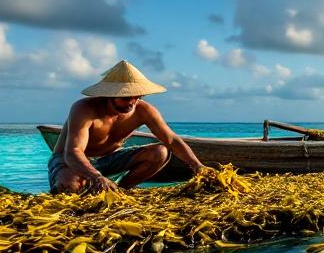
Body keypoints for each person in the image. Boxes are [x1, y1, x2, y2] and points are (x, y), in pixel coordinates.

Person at [49, 60, 208, 193]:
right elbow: (73, 152)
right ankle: (92, 183)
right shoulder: (84, 109)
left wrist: (197, 165)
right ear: (109, 95)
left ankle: (121, 190)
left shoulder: (143, 110)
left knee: (160, 152)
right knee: (68, 187)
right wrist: (96, 176)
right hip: (71, 161)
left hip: (109, 160)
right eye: (125, 98)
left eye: (137, 97)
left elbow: (171, 140)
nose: (132, 102)